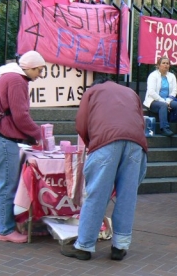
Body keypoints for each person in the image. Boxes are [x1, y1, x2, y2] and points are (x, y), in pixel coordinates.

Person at [61, 77, 148, 262]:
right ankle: (120, 246)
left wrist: (91, 144)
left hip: (106, 142)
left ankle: (84, 246)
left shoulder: (92, 92)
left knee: (96, 195)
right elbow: (140, 120)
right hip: (136, 143)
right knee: (127, 196)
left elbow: (81, 123)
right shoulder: (130, 92)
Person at [0, 50, 46, 244]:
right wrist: (37, 134)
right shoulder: (18, 81)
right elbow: (20, 116)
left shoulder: (7, 77)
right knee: (7, 184)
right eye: (39, 70)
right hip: (3, 137)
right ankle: (6, 230)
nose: (40, 75)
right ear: (30, 67)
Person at [143, 56, 177, 137]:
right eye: (163, 63)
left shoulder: (172, 76)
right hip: (153, 101)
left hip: (168, 100)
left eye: (167, 63)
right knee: (163, 105)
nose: (166, 65)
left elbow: (174, 91)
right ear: (158, 65)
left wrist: (168, 101)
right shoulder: (153, 75)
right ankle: (164, 128)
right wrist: (164, 101)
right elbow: (151, 92)